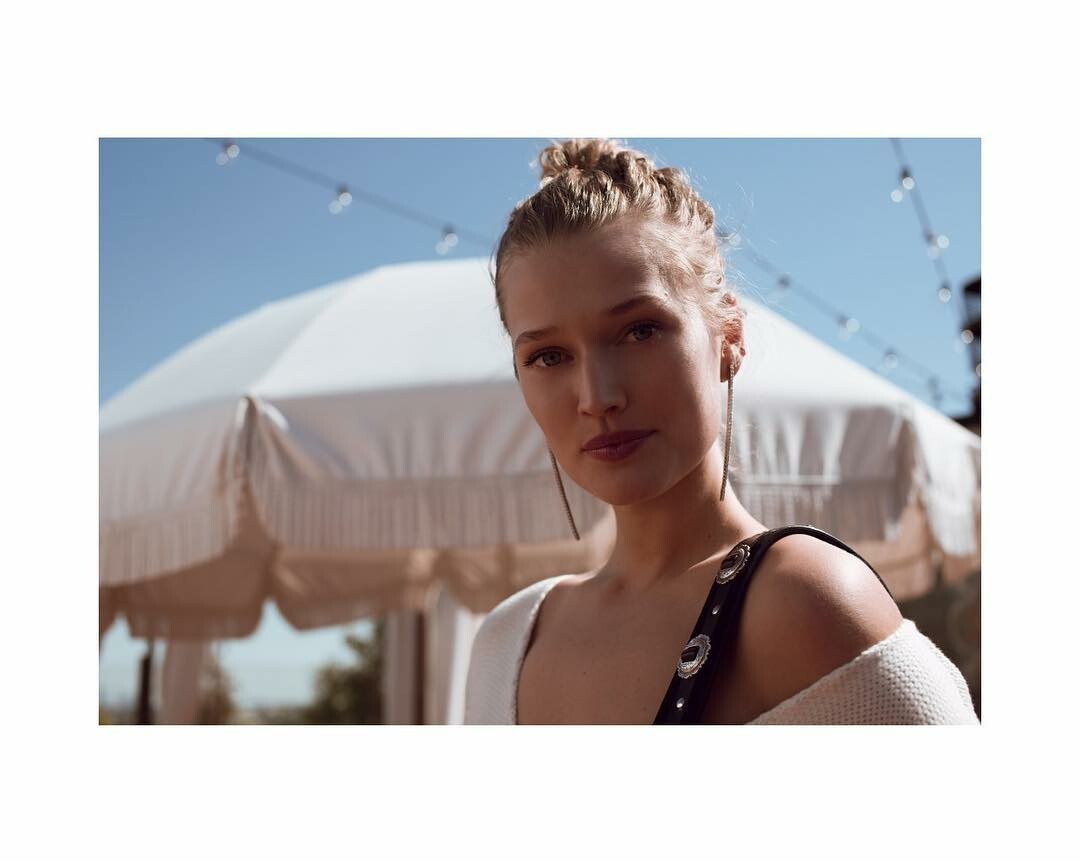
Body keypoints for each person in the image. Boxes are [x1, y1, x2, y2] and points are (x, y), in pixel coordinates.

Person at [463, 138, 979, 725]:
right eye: (549, 356)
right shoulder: (505, 642)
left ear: (728, 336)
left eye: (640, 331)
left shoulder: (809, 604)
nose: (596, 397)